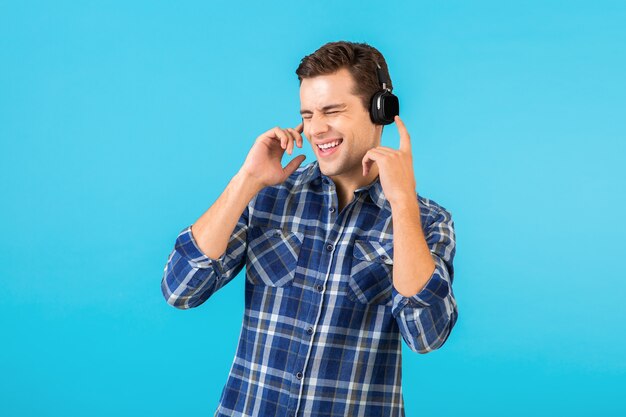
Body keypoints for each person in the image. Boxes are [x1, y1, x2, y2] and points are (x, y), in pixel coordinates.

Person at [161, 40, 458, 417]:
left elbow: (426, 335)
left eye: (332, 111)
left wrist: (401, 204)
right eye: (308, 114)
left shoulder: (428, 221)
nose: (317, 129)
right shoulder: (267, 197)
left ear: (379, 111)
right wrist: (246, 180)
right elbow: (180, 289)